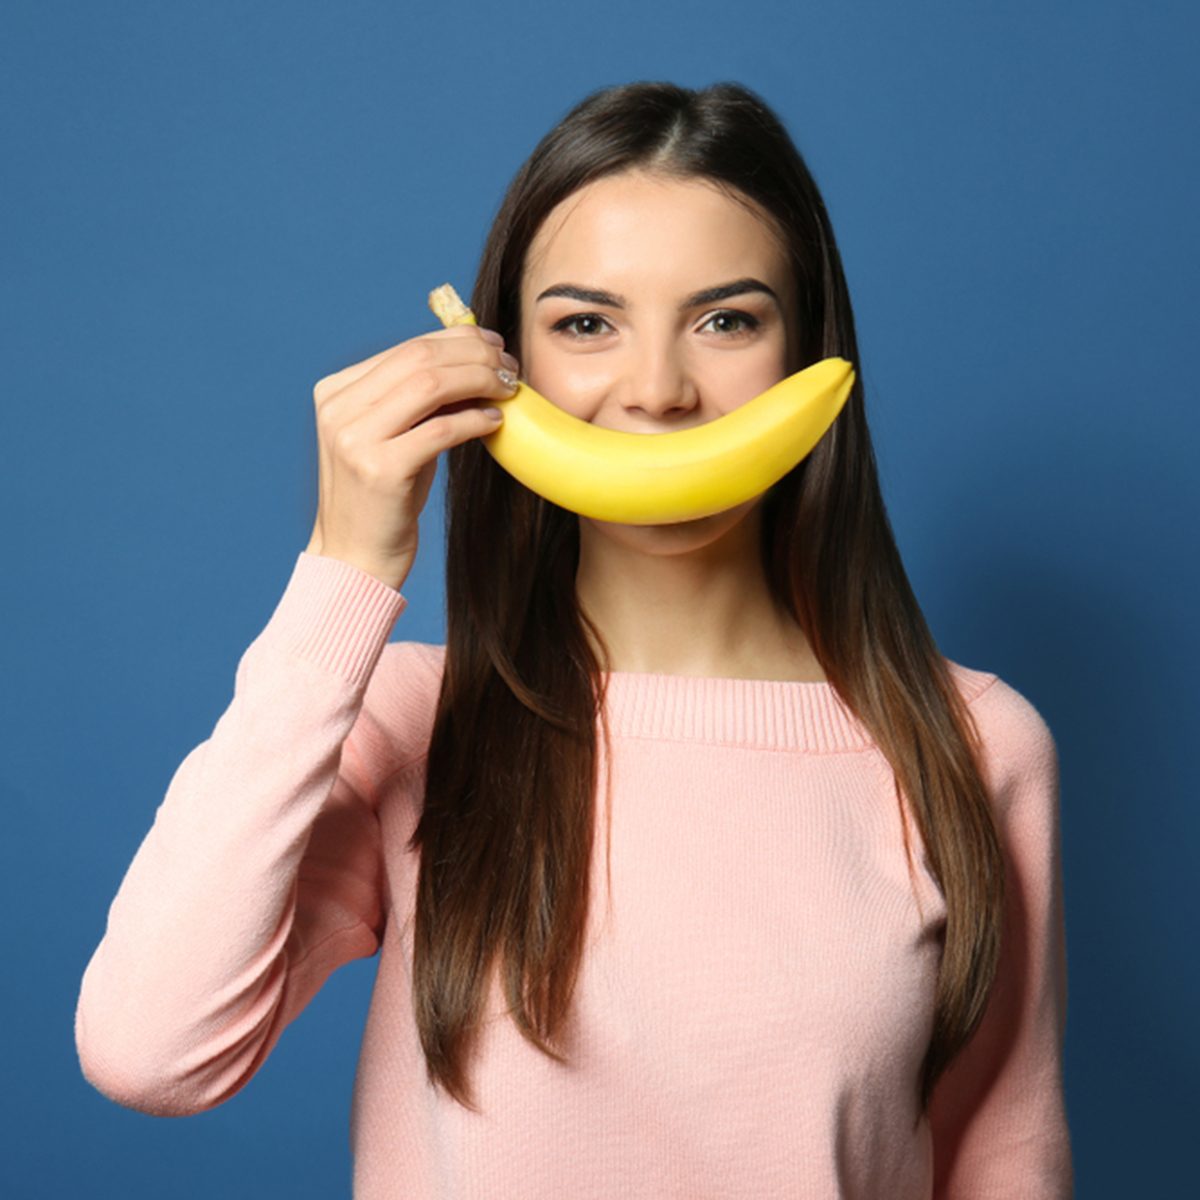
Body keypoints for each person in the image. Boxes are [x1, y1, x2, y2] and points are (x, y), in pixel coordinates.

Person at [74, 81, 1073, 1198]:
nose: (656, 391)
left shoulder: (976, 745)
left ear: (806, 358)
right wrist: (340, 578)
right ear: (507, 363)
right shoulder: (415, 724)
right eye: (585, 323)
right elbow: (151, 1054)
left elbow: (1003, 1159)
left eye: (727, 319)